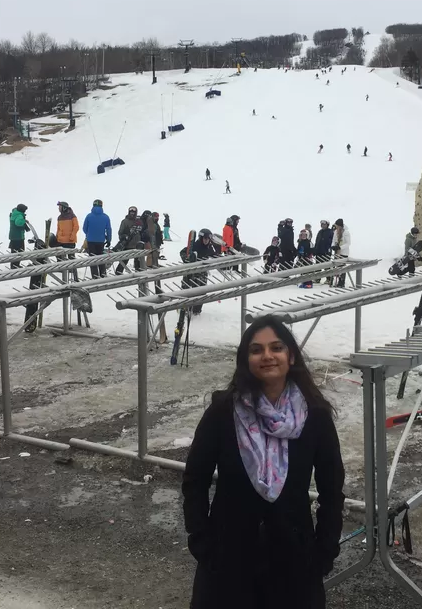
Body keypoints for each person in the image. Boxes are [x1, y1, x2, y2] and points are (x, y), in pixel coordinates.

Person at [182, 316, 344, 608]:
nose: (267, 356)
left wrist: (324, 551)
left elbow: (332, 489)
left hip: (294, 561)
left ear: (290, 356)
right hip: (228, 561)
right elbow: (195, 479)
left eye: (276, 348)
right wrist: (201, 541)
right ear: (246, 360)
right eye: (256, 350)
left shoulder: (315, 415)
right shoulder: (223, 411)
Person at [185, 228, 218, 314]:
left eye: (208, 239)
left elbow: (215, 255)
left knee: (202, 291)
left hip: (203, 273)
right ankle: (186, 309)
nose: (206, 241)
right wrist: (189, 258)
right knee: (191, 291)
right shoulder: (195, 245)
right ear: (201, 238)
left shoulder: (209, 246)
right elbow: (184, 253)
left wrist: (223, 254)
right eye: (205, 238)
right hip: (192, 273)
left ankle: (197, 310)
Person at [83, 199, 112, 278]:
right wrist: (108, 239)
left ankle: (95, 276)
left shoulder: (89, 216)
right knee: (100, 258)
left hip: (90, 240)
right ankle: (103, 274)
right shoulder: (106, 217)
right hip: (101, 241)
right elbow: (108, 229)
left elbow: (84, 228)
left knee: (92, 258)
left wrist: (89, 234)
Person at [115, 206, 144, 274]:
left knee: (138, 260)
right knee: (125, 259)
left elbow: (142, 231)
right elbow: (120, 233)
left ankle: (138, 272)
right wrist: (125, 236)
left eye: (133, 212)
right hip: (128, 244)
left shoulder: (139, 221)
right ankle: (118, 272)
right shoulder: (125, 221)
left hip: (137, 244)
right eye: (131, 212)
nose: (132, 214)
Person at [332, 218, 351, 288]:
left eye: (337, 226)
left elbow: (348, 243)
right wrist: (333, 246)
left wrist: (340, 247)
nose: (336, 227)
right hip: (337, 252)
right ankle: (336, 281)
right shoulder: (335, 232)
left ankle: (341, 282)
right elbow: (334, 240)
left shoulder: (346, 232)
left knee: (342, 268)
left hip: (343, 253)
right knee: (337, 267)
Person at [9, 203, 28, 268]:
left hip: (13, 236)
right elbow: (18, 223)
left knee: (14, 252)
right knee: (20, 251)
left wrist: (24, 220)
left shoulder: (14, 213)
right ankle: (15, 265)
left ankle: (13, 265)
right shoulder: (19, 215)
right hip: (18, 237)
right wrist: (24, 221)